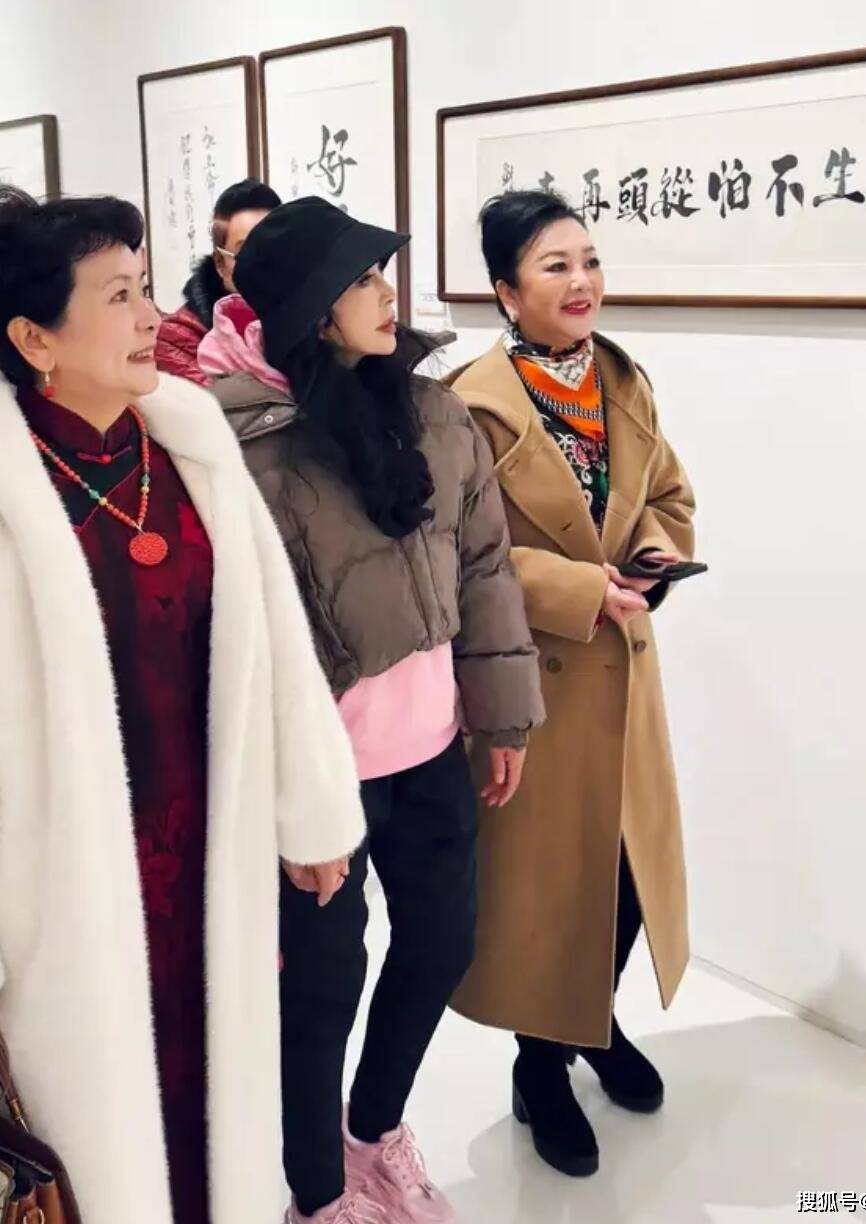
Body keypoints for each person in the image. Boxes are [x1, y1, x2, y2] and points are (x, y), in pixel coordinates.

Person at [0, 186, 365, 1224]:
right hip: (63, 875)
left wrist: (310, 810)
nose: (152, 317)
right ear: (34, 337)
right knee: (97, 1125)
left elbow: (276, 638)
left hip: (208, 840)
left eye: (147, 286)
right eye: (117, 296)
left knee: (217, 1100)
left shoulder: (188, 440)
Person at [200, 196, 545, 1224]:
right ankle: (317, 1194)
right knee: (319, 996)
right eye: (360, 281)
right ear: (312, 308)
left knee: (442, 943)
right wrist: (275, 797)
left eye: (381, 272)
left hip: (431, 749)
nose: (387, 294)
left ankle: (374, 1132)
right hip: (319, 779)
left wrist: (502, 713)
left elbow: (483, 565)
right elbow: (231, 641)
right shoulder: (235, 444)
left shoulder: (431, 410)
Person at [447, 189, 697, 1178]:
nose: (582, 280)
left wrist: (652, 555)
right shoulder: (468, 403)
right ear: (507, 292)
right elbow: (459, 554)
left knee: (627, 880)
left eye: (588, 260)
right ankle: (538, 1064)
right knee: (544, 892)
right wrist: (578, 588)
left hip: (623, 676)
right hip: (532, 682)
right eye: (555, 266)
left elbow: (667, 495)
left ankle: (593, 1022)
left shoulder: (621, 379)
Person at [155, 177, 280, 384]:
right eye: (246, 252)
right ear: (220, 263)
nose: (264, 264)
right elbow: (222, 403)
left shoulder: (310, 319)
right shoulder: (178, 338)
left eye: (274, 248)